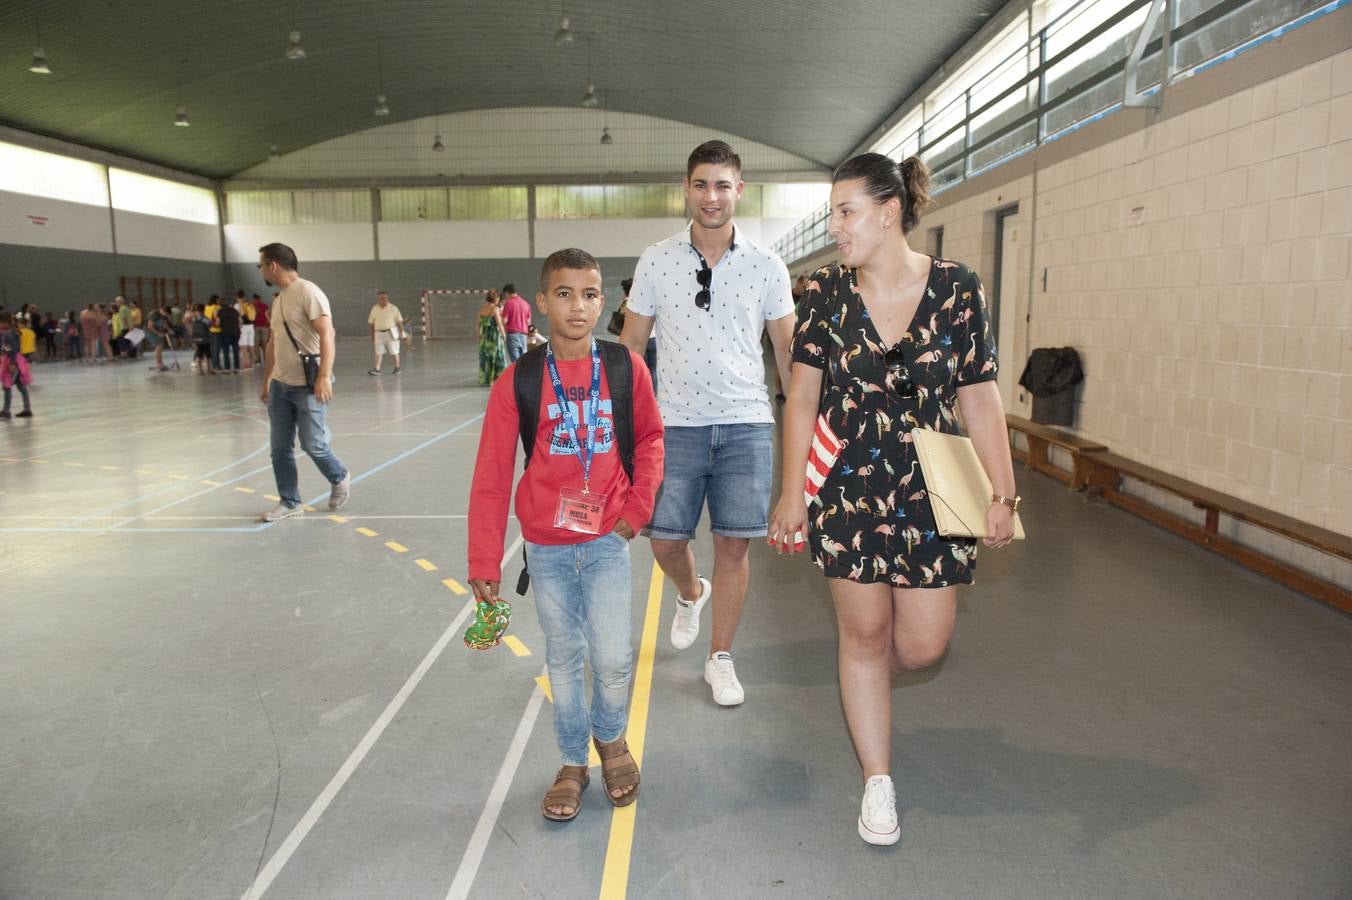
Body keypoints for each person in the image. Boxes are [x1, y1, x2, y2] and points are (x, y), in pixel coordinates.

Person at [768, 153, 1018, 846]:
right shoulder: (820, 295)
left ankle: (869, 681)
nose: (836, 226)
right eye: (833, 213)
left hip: (938, 487)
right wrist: (792, 493)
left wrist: (1004, 491)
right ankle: (878, 779)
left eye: (847, 211)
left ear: (890, 211)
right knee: (864, 636)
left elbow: (982, 398)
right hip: (848, 486)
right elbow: (803, 399)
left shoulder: (958, 289)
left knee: (924, 644)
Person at [467, 248, 664, 822]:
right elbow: (491, 475)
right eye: (563, 294)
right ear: (541, 303)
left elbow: (650, 440)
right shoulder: (518, 380)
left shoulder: (626, 367)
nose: (577, 306)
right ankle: (573, 760)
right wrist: (484, 562)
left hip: (607, 538)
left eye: (589, 293)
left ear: (605, 301)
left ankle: (612, 740)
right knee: (563, 656)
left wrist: (635, 510)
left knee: (611, 656)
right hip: (546, 547)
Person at [619, 140, 795, 707]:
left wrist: (806, 432)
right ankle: (691, 591)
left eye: (723, 185)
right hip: (675, 426)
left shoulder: (767, 265)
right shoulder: (656, 260)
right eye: (701, 184)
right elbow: (631, 346)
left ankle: (721, 658)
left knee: (734, 548)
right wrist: (622, 428)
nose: (711, 196)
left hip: (746, 425)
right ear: (687, 189)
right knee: (665, 541)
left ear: (740, 190)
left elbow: (788, 355)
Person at [257, 242, 349, 522]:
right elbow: (273, 343)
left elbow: (327, 334)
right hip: (280, 386)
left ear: (273, 265)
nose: (261, 269)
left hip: (308, 383)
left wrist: (323, 377)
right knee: (279, 448)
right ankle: (289, 501)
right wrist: (266, 381)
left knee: (313, 444)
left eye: (261, 264)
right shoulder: (278, 299)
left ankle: (339, 475)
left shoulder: (308, 291)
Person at [0, 312, 33, 419]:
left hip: (12, 361)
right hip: (15, 360)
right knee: (20, 385)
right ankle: (27, 409)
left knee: (7, 385)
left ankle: (6, 410)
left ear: (4, 322)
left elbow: (12, 349)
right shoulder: (12, 332)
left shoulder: (8, 333)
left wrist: (12, 363)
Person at [366, 291, 404, 376]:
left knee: (394, 351)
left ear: (387, 298)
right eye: (381, 298)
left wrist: (402, 332)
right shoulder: (374, 308)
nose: (383, 299)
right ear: (378, 299)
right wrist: (372, 335)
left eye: (384, 297)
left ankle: (397, 367)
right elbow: (372, 323)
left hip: (391, 333)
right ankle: (377, 369)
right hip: (378, 334)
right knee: (378, 352)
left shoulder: (393, 308)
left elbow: (399, 322)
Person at [476, 289, 508, 385]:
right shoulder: (495, 309)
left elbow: (478, 325)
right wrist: (504, 334)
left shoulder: (482, 309)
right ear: (496, 298)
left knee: (486, 358)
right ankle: (497, 379)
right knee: (498, 357)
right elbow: (499, 324)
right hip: (494, 338)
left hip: (484, 338)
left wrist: (479, 337)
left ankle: (486, 379)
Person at [500, 283, 532, 363]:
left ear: (507, 293)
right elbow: (528, 321)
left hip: (512, 335)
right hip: (523, 335)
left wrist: (500, 314)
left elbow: (504, 320)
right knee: (523, 360)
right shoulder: (525, 303)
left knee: (515, 362)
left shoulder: (508, 303)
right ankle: (525, 375)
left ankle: (517, 375)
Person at [217, 298, 241, 373]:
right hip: (235, 332)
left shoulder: (220, 311)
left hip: (225, 333)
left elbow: (218, 323)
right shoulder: (234, 310)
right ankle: (237, 368)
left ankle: (227, 368)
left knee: (226, 351)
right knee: (235, 350)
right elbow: (240, 321)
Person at [189, 303, 212, 375]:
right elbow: (210, 326)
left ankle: (200, 371)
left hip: (197, 339)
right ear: (204, 310)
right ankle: (209, 370)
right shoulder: (205, 319)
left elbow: (187, 322)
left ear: (197, 310)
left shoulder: (194, 318)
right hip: (205, 339)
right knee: (208, 354)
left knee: (199, 354)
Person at [236, 290, 257, 370]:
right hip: (251, 327)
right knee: (251, 346)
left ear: (237, 297)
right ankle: (253, 363)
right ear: (244, 296)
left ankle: (246, 364)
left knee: (243, 347)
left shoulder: (237, 306)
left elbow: (238, 318)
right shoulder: (249, 305)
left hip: (243, 327)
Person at [204, 294, 222, 371]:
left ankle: (212, 364)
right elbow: (218, 318)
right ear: (216, 300)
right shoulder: (217, 307)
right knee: (216, 349)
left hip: (208, 329)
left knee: (212, 348)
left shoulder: (206, 307)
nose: (219, 301)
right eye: (218, 300)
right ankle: (216, 365)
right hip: (216, 330)